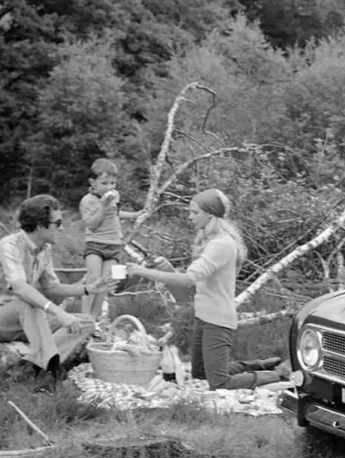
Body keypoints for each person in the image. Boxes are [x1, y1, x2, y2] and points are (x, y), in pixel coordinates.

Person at [127, 189, 285, 390]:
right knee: (200, 374)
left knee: (219, 383)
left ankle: (277, 375)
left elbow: (188, 280)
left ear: (209, 215)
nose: (189, 217)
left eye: (195, 212)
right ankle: (262, 365)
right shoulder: (213, 241)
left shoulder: (221, 245)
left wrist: (143, 272)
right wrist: (166, 273)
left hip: (218, 319)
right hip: (204, 316)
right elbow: (194, 282)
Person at [0, 194, 114, 386]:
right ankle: (51, 368)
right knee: (27, 303)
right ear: (40, 225)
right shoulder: (9, 245)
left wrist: (88, 289)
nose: (61, 228)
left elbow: (51, 287)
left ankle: (33, 366)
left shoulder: (45, 249)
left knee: (85, 322)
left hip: (29, 321)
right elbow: (20, 288)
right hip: (4, 317)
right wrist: (58, 312)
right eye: (57, 223)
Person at [79, 158, 139, 318]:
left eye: (113, 183)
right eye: (104, 183)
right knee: (93, 279)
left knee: (106, 283)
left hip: (114, 244)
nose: (110, 187)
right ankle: (84, 317)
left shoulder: (115, 195)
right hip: (95, 243)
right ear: (92, 182)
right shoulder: (88, 201)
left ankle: (94, 319)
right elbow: (92, 224)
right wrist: (103, 206)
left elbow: (115, 213)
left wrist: (134, 215)